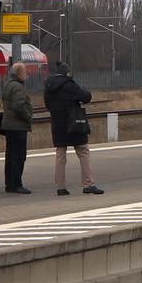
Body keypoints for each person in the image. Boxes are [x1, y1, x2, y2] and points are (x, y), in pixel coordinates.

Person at [43, 61, 102, 195]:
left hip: (57, 124)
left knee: (60, 155)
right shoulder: (70, 85)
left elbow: (48, 105)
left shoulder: (48, 86)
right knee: (83, 152)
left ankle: (60, 187)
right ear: (67, 73)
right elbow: (86, 97)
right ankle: (88, 184)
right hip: (74, 123)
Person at [0, 62, 33, 194]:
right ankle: (16, 184)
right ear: (20, 73)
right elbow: (18, 106)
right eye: (25, 72)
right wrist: (28, 117)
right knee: (19, 156)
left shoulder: (8, 84)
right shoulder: (18, 86)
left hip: (9, 125)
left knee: (10, 155)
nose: (26, 74)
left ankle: (9, 183)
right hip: (17, 126)